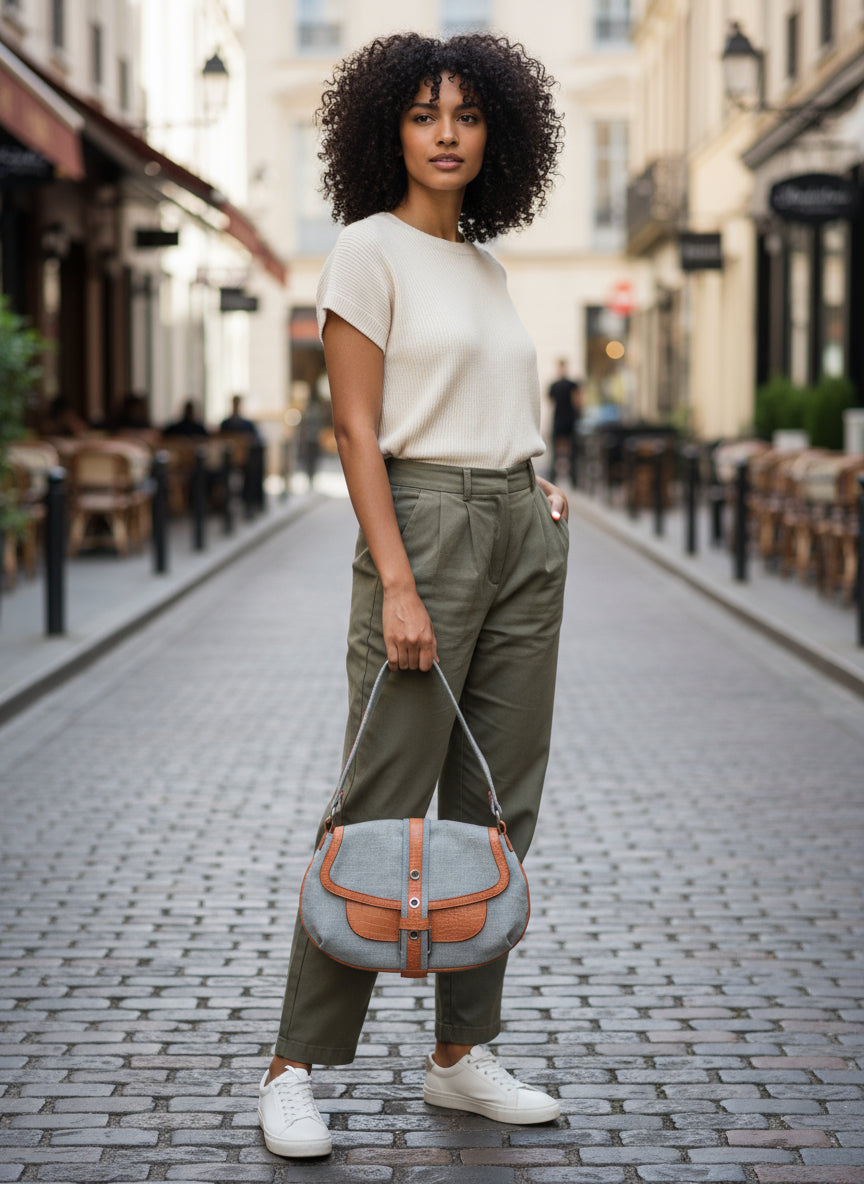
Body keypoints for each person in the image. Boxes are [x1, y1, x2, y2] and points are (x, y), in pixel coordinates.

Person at [258, 32, 568, 1159]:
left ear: (499, 136)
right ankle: (293, 1064)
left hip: (520, 530)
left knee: (499, 809)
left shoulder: (486, 265)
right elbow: (356, 428)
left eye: (469, 116)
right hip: (423, 531)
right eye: (426, 113)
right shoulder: (366, 249)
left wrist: (533, 483)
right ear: (388, 125)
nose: (446, 134)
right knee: (378, 803)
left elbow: (482, 396)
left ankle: (460, 1055)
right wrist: (396, 574)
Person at [547, 359, 581, 485]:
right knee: (558, 452)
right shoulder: (556, 384)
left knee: (571, 452)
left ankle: (572, 478)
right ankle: (557, 477)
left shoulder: (569, 384)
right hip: (561, 420)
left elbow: (577, 400)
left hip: (566, 420)